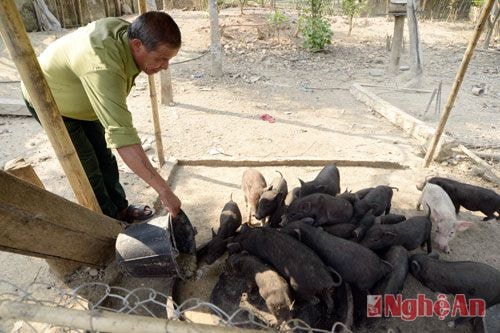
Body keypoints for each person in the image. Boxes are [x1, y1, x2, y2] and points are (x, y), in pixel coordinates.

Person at [22, 11, 182, 222]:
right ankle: (109, 223)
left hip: (86, 101)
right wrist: (163, 190)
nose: (165, 66)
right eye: (161, 59)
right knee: (88, 167)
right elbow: (123, 139)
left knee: (105, 159)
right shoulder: (102, 66)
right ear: (137, 45)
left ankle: (121, 210)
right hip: (52, 102)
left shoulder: (125, 34)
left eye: (168, 59)